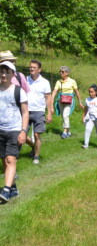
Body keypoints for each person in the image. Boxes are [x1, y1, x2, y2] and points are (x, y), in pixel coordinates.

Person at [0, 61, 29, 203]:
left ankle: (5, 190)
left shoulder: (18, 91)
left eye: (7, 72)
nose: (4, 74)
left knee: (10, 159)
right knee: (4, 159)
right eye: (2, 71)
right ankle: (13, 188)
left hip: (15, 129)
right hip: (0, 129)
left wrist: (23, 131)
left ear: (13, 74)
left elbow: (25, 112)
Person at [25, 60, 52, 165]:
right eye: (30, 67)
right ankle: (33, 146)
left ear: (39, 70)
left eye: (34, 67)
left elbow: (48, 97)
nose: (31, 69)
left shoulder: (45, 82)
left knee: (37, 135)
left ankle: (36, 156)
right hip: (26, 111)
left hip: (39, 111)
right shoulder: (25, 80)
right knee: (21, 133)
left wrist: (49, 113)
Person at [51, 65, 82, 139]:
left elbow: (77, 92)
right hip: (60, 100)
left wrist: (80, 102)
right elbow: (54, 92)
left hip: (69, 101)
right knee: (64, 116)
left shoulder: (72, 81)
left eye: (62, 72)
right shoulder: (58, 82)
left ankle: (64, 132)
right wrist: (51, 102)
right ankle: (69, 131)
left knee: (65, 115)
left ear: (67, 73)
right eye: (60, 72)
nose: (61, 73)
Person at [82, 84, 97, 150]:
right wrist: (83, 116)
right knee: (87, 130)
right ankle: (86, 145)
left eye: (92, 92)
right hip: (90, 118)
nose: (90, 93)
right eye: (89, 92)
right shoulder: (87, 100)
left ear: (96, 92)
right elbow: (86, 109)